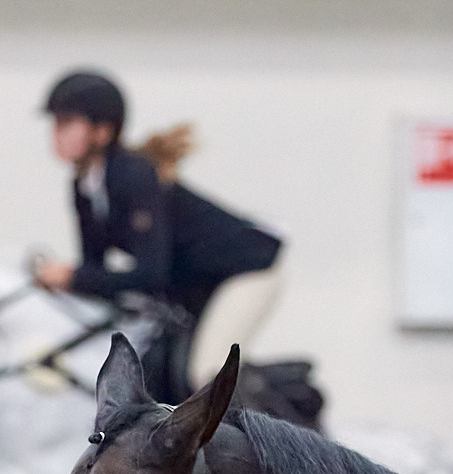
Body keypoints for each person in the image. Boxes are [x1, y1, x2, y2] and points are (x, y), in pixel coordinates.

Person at [35, 70, 284, 401]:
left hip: (249, 273)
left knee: (206, 375)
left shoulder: (133, 176)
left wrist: (73, 277)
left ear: (102, 131)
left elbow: (150, 274)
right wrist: (70, 281)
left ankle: (267, 448)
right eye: (55, 124)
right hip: (197, 286)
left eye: (66, 123)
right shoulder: (84, 187)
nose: (56, 134)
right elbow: (96, 270)